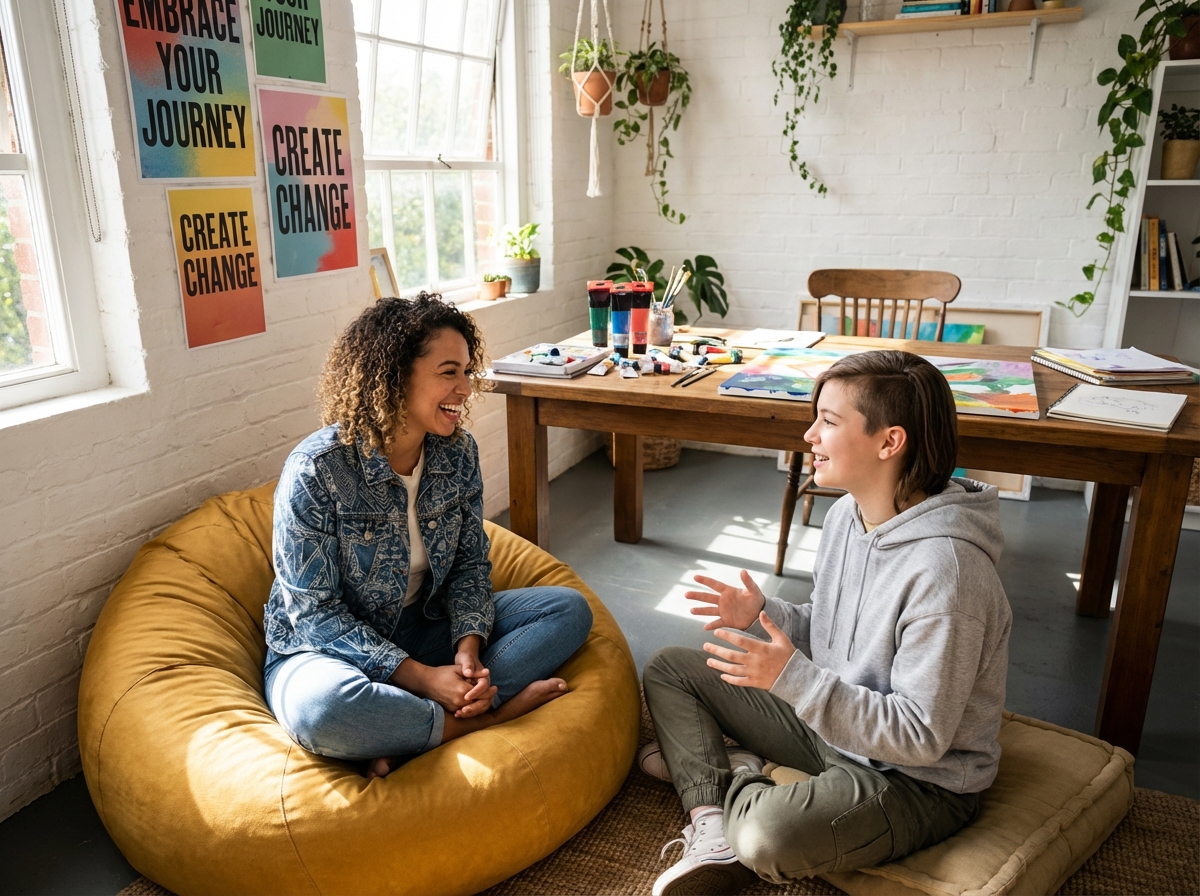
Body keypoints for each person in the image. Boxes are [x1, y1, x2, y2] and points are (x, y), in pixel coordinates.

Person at [640, 350, 1012, 895]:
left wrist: (790, 677)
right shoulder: (848, 514)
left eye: (829, 422)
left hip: (914, 779)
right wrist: (764, 615)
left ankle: (733, 780)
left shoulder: (948, 574)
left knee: (767, 837)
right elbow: (836, 629)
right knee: (671, 668)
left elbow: (921, 736)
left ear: (890, 442)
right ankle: (712, 822)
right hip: (832, 725)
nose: (810, 435)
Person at [263, 293, 593, 779]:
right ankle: (487, 717)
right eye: (448, 372)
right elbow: (314, 615)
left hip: (424, 626)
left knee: (567, 610)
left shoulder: (457, 454)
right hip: (324, 652)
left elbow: (470, 564)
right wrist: (421, 678)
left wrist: (467, 653)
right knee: (323, 712)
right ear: (396, 376)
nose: (466, 387)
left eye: (466, 370)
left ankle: (410, 728)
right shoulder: (317, 470)